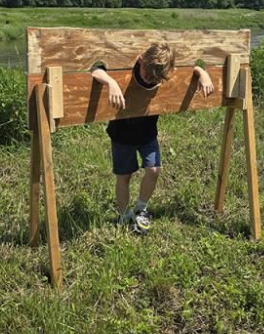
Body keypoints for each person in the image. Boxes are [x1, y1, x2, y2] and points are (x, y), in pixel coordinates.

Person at [91, 42, 215, 234]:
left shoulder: (160, 73)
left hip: (147, 133)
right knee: (124, 176)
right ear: (140, 60)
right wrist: (111, 83)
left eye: (155, 79)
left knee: (154, 170)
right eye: (147, 75)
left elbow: (191, 68)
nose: (149, 80)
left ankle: (141, 208)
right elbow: (95, 69)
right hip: (121, 134)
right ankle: (123, 214)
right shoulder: (131, 66)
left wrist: (203, 73)